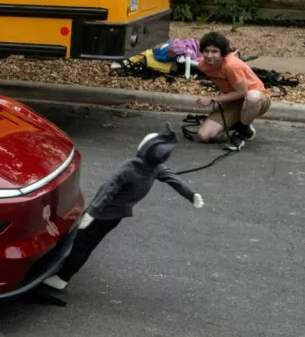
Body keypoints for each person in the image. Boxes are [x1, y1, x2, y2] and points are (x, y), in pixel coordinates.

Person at [42, 123, 204, 292]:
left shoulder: (130, 168)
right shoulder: (155, 168)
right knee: (87, 242)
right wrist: (191, 195)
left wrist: (91, 213)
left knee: (82, 244)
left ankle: (62, 278)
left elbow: (108, 189)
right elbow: (173, 179)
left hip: (102, 213)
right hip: (115, 216)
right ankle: (62, 270)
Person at [194, 32, 270, 151]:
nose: (209, 55)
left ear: (222, 53)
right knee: (204, 136)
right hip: (234, 100)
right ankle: (236, 122)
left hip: (257, 98)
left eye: (214, 51)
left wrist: (212, 100)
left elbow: (242, 92)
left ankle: (242, 131)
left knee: (252, 97)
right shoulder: (203, 65)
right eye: (206, 51)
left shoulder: (231, 66)